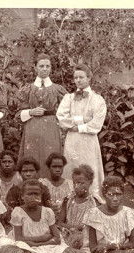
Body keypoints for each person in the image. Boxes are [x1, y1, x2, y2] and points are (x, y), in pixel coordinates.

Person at [0, 179, 97, 253]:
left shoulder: (47, 212)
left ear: (41, 196)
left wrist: (40, 243)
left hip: (47, 245)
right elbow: (19, 238)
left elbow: (57, 238)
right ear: (22, 196)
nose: (33, 197)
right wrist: (43, 239)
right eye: (29, 194)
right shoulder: (18, 212)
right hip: (25, 246)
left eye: (36, 194)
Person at [56, 64, 106, 203]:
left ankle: (92, 200)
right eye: (75, 77)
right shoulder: (69, 98)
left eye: (81, 77)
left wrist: (78, 126)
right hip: (72, 140)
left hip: (89, 141)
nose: (78, 80)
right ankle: (71, 201)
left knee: (89, 167)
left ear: (89, 78)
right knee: (72, 167)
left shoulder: (97, 100)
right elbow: (61, 118)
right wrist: (83, 120)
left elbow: (96, 124)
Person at [17, 54, 68, 177]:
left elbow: (67, 110)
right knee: (32, 155)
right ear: (35, 68)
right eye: (41, 66)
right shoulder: (27, 89)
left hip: (51, 128)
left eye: (47, 66)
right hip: (32, 127)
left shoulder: (58, 89)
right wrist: (31, 112)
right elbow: (18, 114)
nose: (44, 69)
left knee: (51, 156)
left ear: (51, 68)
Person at [58, 164, 97, 249]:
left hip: (86, 239)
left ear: (90, 182)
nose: (77, 186)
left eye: (81, 183)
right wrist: (74, 228)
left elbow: (96, 226)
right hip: (67, 235)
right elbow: (60, 223)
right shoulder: (68, 200)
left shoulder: (94, 202)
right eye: (75, 183)